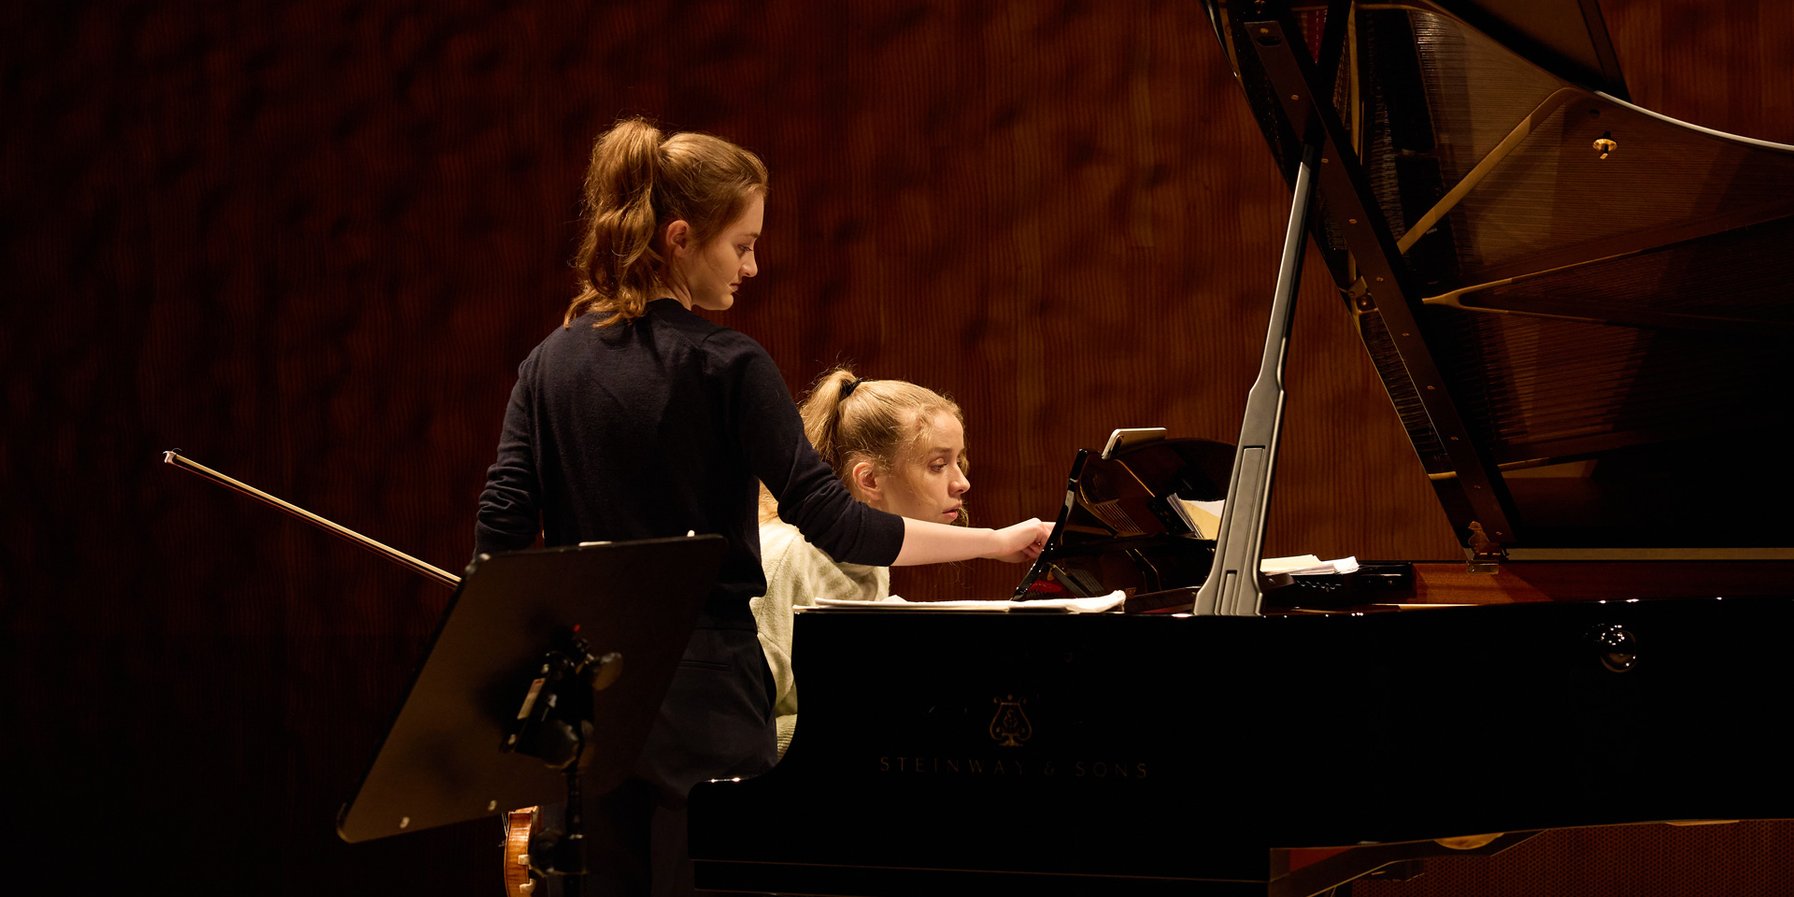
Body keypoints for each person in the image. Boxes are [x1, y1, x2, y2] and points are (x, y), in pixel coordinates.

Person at [472, 115, 1051, 897]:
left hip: (589, 706)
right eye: (741, 244)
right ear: (680, 238)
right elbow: (839, 521)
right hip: (704, 688)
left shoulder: (548, 365)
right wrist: (995, 543)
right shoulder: (727, 366)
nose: (753, 264)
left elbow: (501, 537)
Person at [753, 366, 972, 757]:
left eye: (959, 461)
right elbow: (738, 721)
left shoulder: (869, 560)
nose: (961, 483)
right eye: (939, 465)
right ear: (869, 480)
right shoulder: (786, 556)